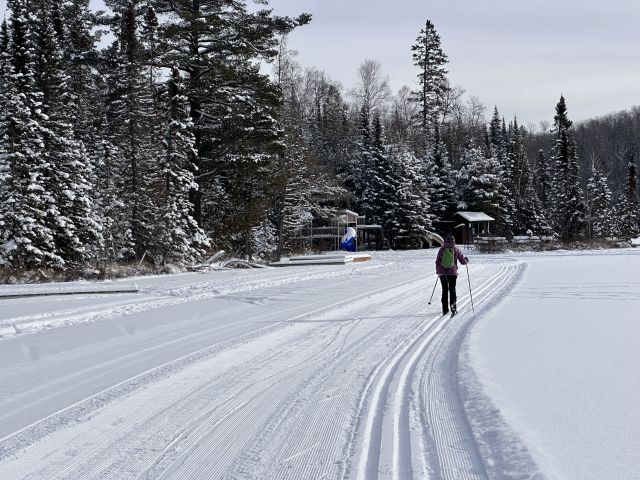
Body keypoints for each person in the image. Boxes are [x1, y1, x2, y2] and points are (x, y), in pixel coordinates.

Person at [435, 233, 469, 315]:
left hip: (442, 273)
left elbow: (438, 262)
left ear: (445, 241)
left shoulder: (441, 249)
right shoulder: (456, 249)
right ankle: (453, 308)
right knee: (452, 289)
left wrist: (438, 271)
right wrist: (466, 260)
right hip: (452, 273)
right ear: (454, 241)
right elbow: (462, 261)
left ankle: (445, 309)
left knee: (444, 290)